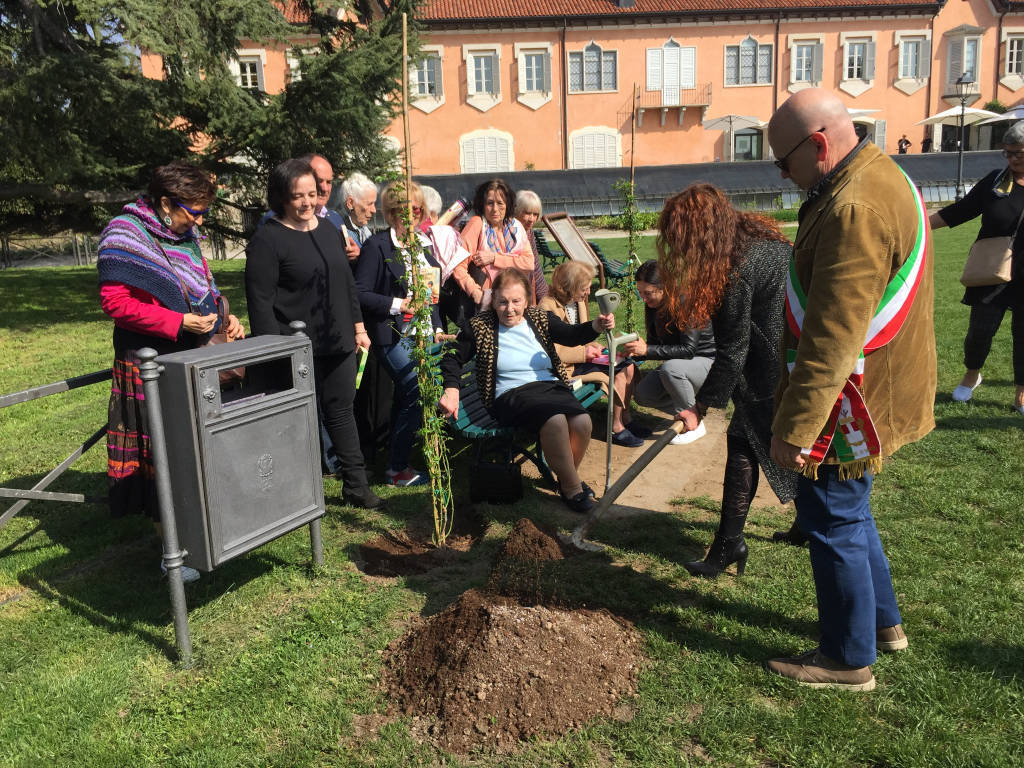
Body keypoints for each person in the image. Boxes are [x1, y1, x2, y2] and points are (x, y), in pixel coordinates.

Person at [765, 88, 935, 690]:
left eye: (784, 163)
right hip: (871, 390)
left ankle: (846, 657)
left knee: (832, 518)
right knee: (852, 516)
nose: (783, 176)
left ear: (817, 145)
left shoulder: (854, 208)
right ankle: (883, 625)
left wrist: (795, 431)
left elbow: (833, 337)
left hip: (847, 402)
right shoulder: (877, 176)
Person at [98, 161, 245, 583]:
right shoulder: (124, 233)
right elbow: (116, 303)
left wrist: (223, 317)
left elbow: (203, 287)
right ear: (165, 202)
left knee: (196, 444)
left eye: (203, 212)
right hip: (148, 357)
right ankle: (172, 552)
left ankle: (206, 529)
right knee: (161, 454)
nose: (199, 221)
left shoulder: (187, 234)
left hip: (194, 351)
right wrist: (175, 323)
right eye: (193, 212)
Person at [657, 184, 799, 580]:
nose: (678, 248)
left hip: (771, 366)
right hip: (791, 359)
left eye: (680, 238)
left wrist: (699, 406)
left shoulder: (735, 266)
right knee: (788, 441)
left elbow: (733, 349)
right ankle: (793, 526)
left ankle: (728, 545)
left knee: (744, 445)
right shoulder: (759, 240)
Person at [245, 158, 383, 510]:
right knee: (295, 420)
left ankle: (356, 486)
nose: (308, 202)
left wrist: (358, 326)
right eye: (298, 196)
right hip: (293, 346)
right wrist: (272, 350)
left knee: (341, 411)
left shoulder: (326, 230)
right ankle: (291, 493)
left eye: (313, 193)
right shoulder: (268, 238)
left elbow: (346, 285)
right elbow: (260, 301)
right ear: (281, 197)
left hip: (337, 340)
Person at [439, 268, 615, 513]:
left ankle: (565, 479)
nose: (509, 308)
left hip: (549, 386)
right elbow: (452, 357)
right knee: (554, 422)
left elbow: (571, 335)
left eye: (516, 301)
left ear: (526, 299)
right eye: (502, 302)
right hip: (510, 394)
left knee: (583, 422)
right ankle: (572, 488)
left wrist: (596, 325)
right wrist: (451, 389)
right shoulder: (479, 326)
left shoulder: (538, 317)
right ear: (493, 300)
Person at [929, 119, 1024, 415]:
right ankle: (972, 374)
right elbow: (960, 211)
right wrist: (916, 226)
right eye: (1007, 153)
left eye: (1019, 153)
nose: (1012, 159)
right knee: (979, 332)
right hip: (991, 268)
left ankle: (1021, 392)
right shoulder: (996, 181)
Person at [353, 181, 444, 487]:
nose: (415, 217)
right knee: (417, 390)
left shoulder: (423, 247)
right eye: (408, 211)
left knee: (409, 395)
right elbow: (360, 293)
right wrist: (398, 304)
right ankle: (397, 469)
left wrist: (439, 326)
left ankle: (396, 455)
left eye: (419, 210)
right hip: (392, 335)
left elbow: (431, 295)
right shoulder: (378, 247)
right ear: (392, 214)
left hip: (424, 336)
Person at [539, 261, 643, 447]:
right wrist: (585, 353)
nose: (588, 293)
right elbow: (551, 350)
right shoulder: (546, 308)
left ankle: (626, 418)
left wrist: (597, 347)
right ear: (569, 287)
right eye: (584, 288)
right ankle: (616, 428)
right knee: (618, 371)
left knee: (627, 365)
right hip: (565, 368)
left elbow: (582, 336)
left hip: (581, 359)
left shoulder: (577, 303)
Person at [623, 259, 715, 446]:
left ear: (664, 288)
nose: (643, 298)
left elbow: (689, 350)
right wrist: (636, 351)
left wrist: (647, 350)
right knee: (642, 394)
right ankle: (693, 412)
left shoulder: (687, 302)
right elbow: (657, 344)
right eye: (640, 292)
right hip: (681, 363)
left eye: (648, 293)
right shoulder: (654, 306)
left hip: (707, 362)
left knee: (671, 369)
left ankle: (694, 425)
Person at [455, 179, 536, 311]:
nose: (495, 209)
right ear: (482, 204)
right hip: (486, 303)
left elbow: (528, 263)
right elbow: (458, 266)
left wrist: (494, 258)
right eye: (490, 203)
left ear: (508, 204)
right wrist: (475, 291)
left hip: (515, 301)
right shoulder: (477, 224)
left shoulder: (516, 226)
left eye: (500, 203)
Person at [513, 189, 551, 304]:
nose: (532, 219)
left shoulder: (529, 232)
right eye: (527, 213)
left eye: (535, 214)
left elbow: (536, 267)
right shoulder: (510, 233)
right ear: (517, 210)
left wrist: (545, 298)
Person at [342, 172, 378, 258]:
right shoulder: (340, 234)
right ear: (350, 203)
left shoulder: (365, 231)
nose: (374, 210)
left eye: (374, 204)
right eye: (369, 204)